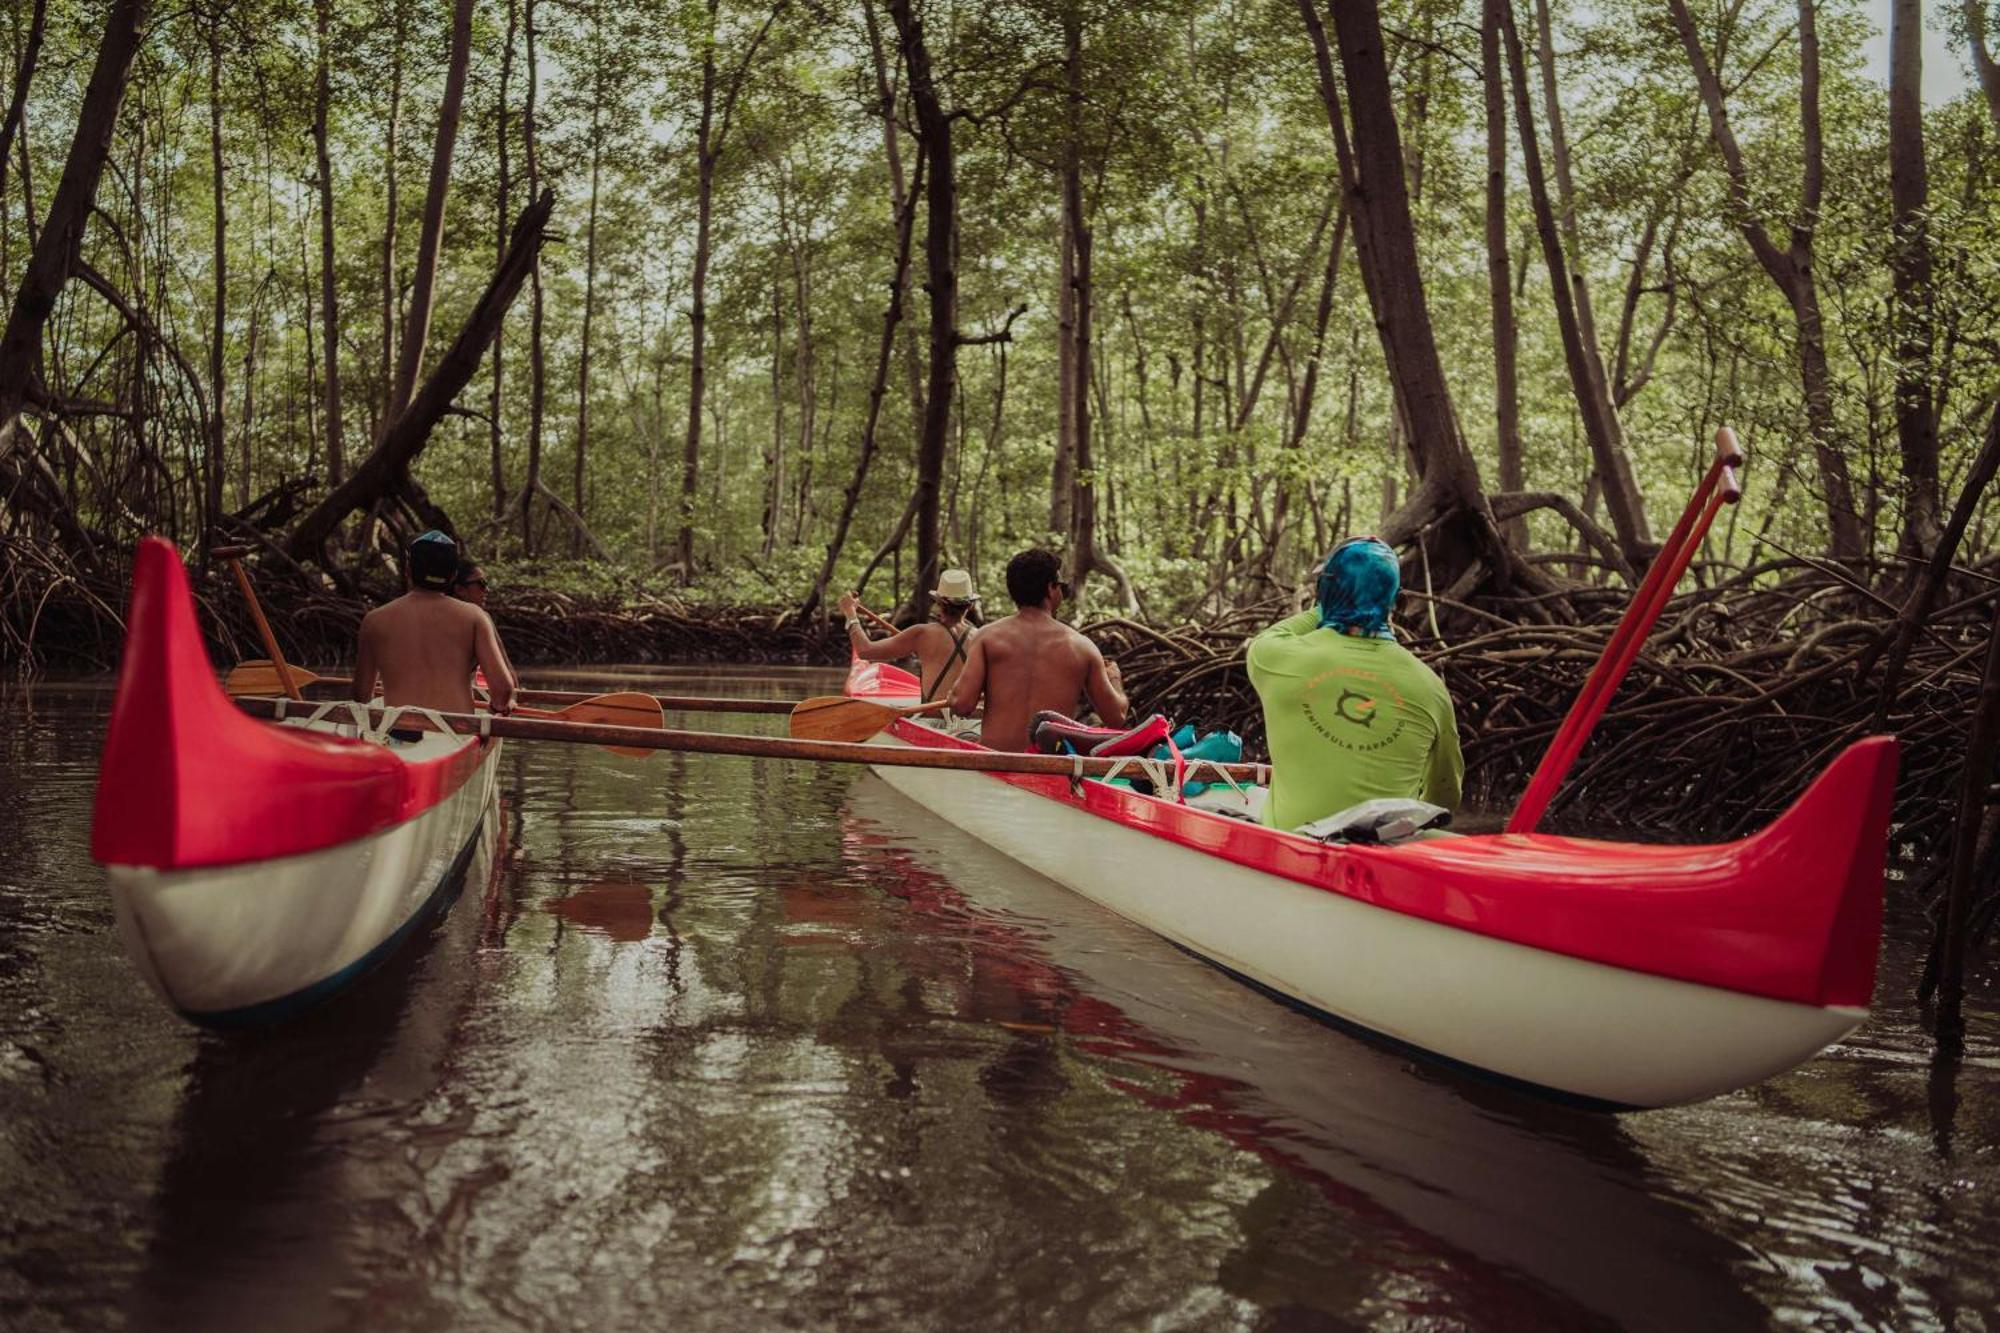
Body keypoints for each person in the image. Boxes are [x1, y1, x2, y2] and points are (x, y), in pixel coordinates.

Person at [1246, 536, 1461, 830]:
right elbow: (1445, 799)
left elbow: (1279, 632)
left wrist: (1330, 600)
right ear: (1397, 602)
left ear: (1323, 591)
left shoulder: (1272, 657)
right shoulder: (1431, 688)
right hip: (1383, 857)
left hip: (1292, 848)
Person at [948, 549, 1127, 752]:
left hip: (994, 762)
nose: (1061, 592)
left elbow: (961, 705)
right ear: (1051, 589)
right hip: (1049, 768)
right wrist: (1115, 679)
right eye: (1060, 586)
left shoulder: (987, 637)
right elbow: (1116, 718)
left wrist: (953, 694)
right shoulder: (1082, 647)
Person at [352, 530, 517, 717]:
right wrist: (495, 710)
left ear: (408, 571)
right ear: (453, 575)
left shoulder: (374, 620)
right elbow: (503, 689)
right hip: (457, 735)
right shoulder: (475, 617)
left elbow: (360, 696)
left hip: (395, 734)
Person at [840, 569, 981, 703]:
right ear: (970, 606)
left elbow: (865, 651)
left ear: (938, 602)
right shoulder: (981, 637)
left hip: (934, 719)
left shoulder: (922, 634)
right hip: (973, 721)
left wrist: (851, 615)